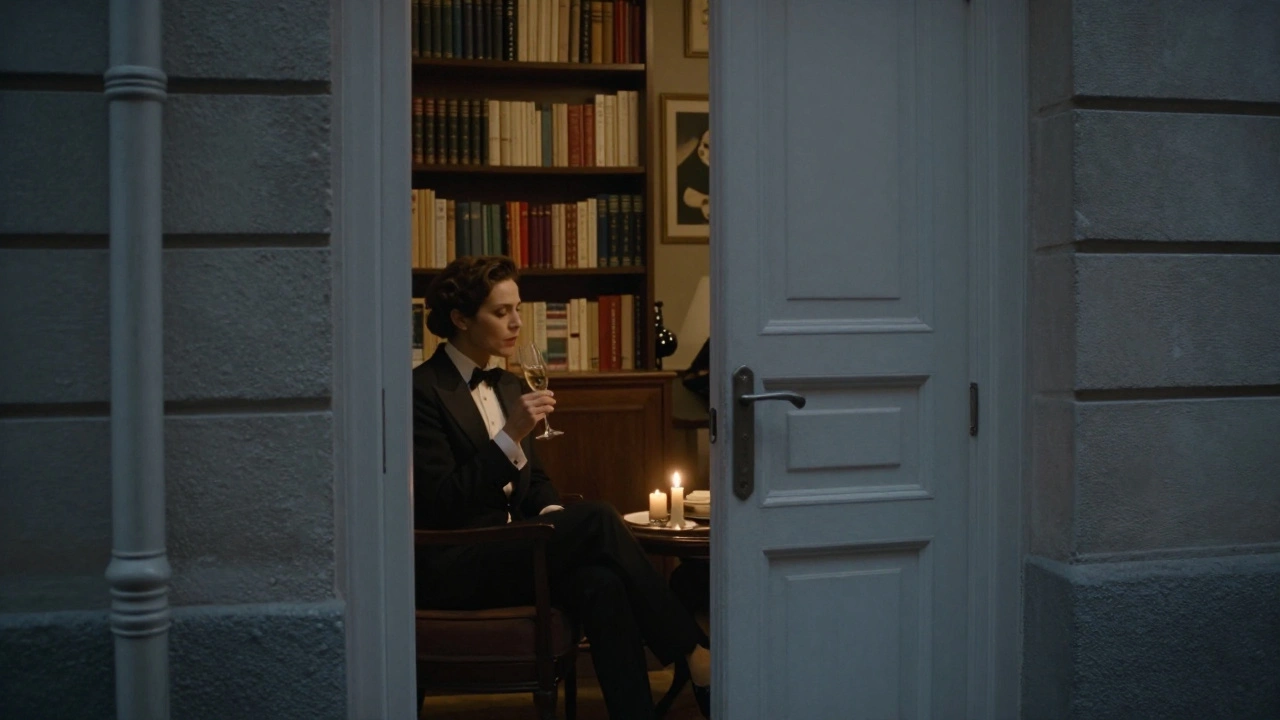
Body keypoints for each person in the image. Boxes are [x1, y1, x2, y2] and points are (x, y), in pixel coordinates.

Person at [412, 255, 712, 719]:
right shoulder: (422, 389)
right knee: (596, 515)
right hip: (457, 563)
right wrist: (509, 436)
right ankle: (692, 649)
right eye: (500, 312)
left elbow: (537, 483)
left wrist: (553, 515)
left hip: (517, 550)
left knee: (603, 581)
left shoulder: (510, 385)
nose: (515, 323)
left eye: (518, 308)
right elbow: (442, 501)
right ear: (460, 319)